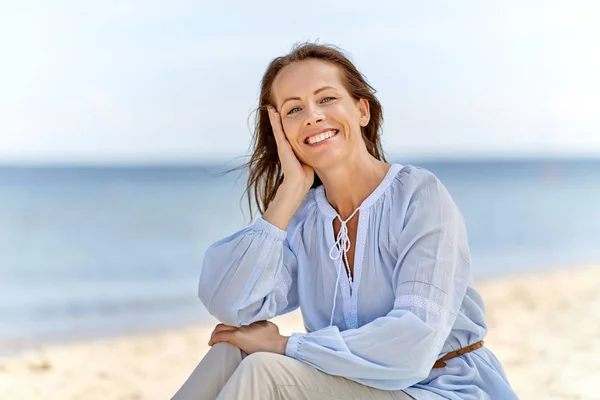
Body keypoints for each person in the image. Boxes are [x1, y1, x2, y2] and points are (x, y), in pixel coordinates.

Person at [171, 43, 519, 400]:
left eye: (326, 99)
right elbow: (233, 305)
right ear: (281, 132)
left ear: (362, 110)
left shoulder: (418, 195)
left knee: (265, 368)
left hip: (442, 388)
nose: (312, 116)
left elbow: (415, 343)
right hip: (354, 387)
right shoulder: (305, 218)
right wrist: (289, 192)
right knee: (232, 350)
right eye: (293, 110)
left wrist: (286, 345)